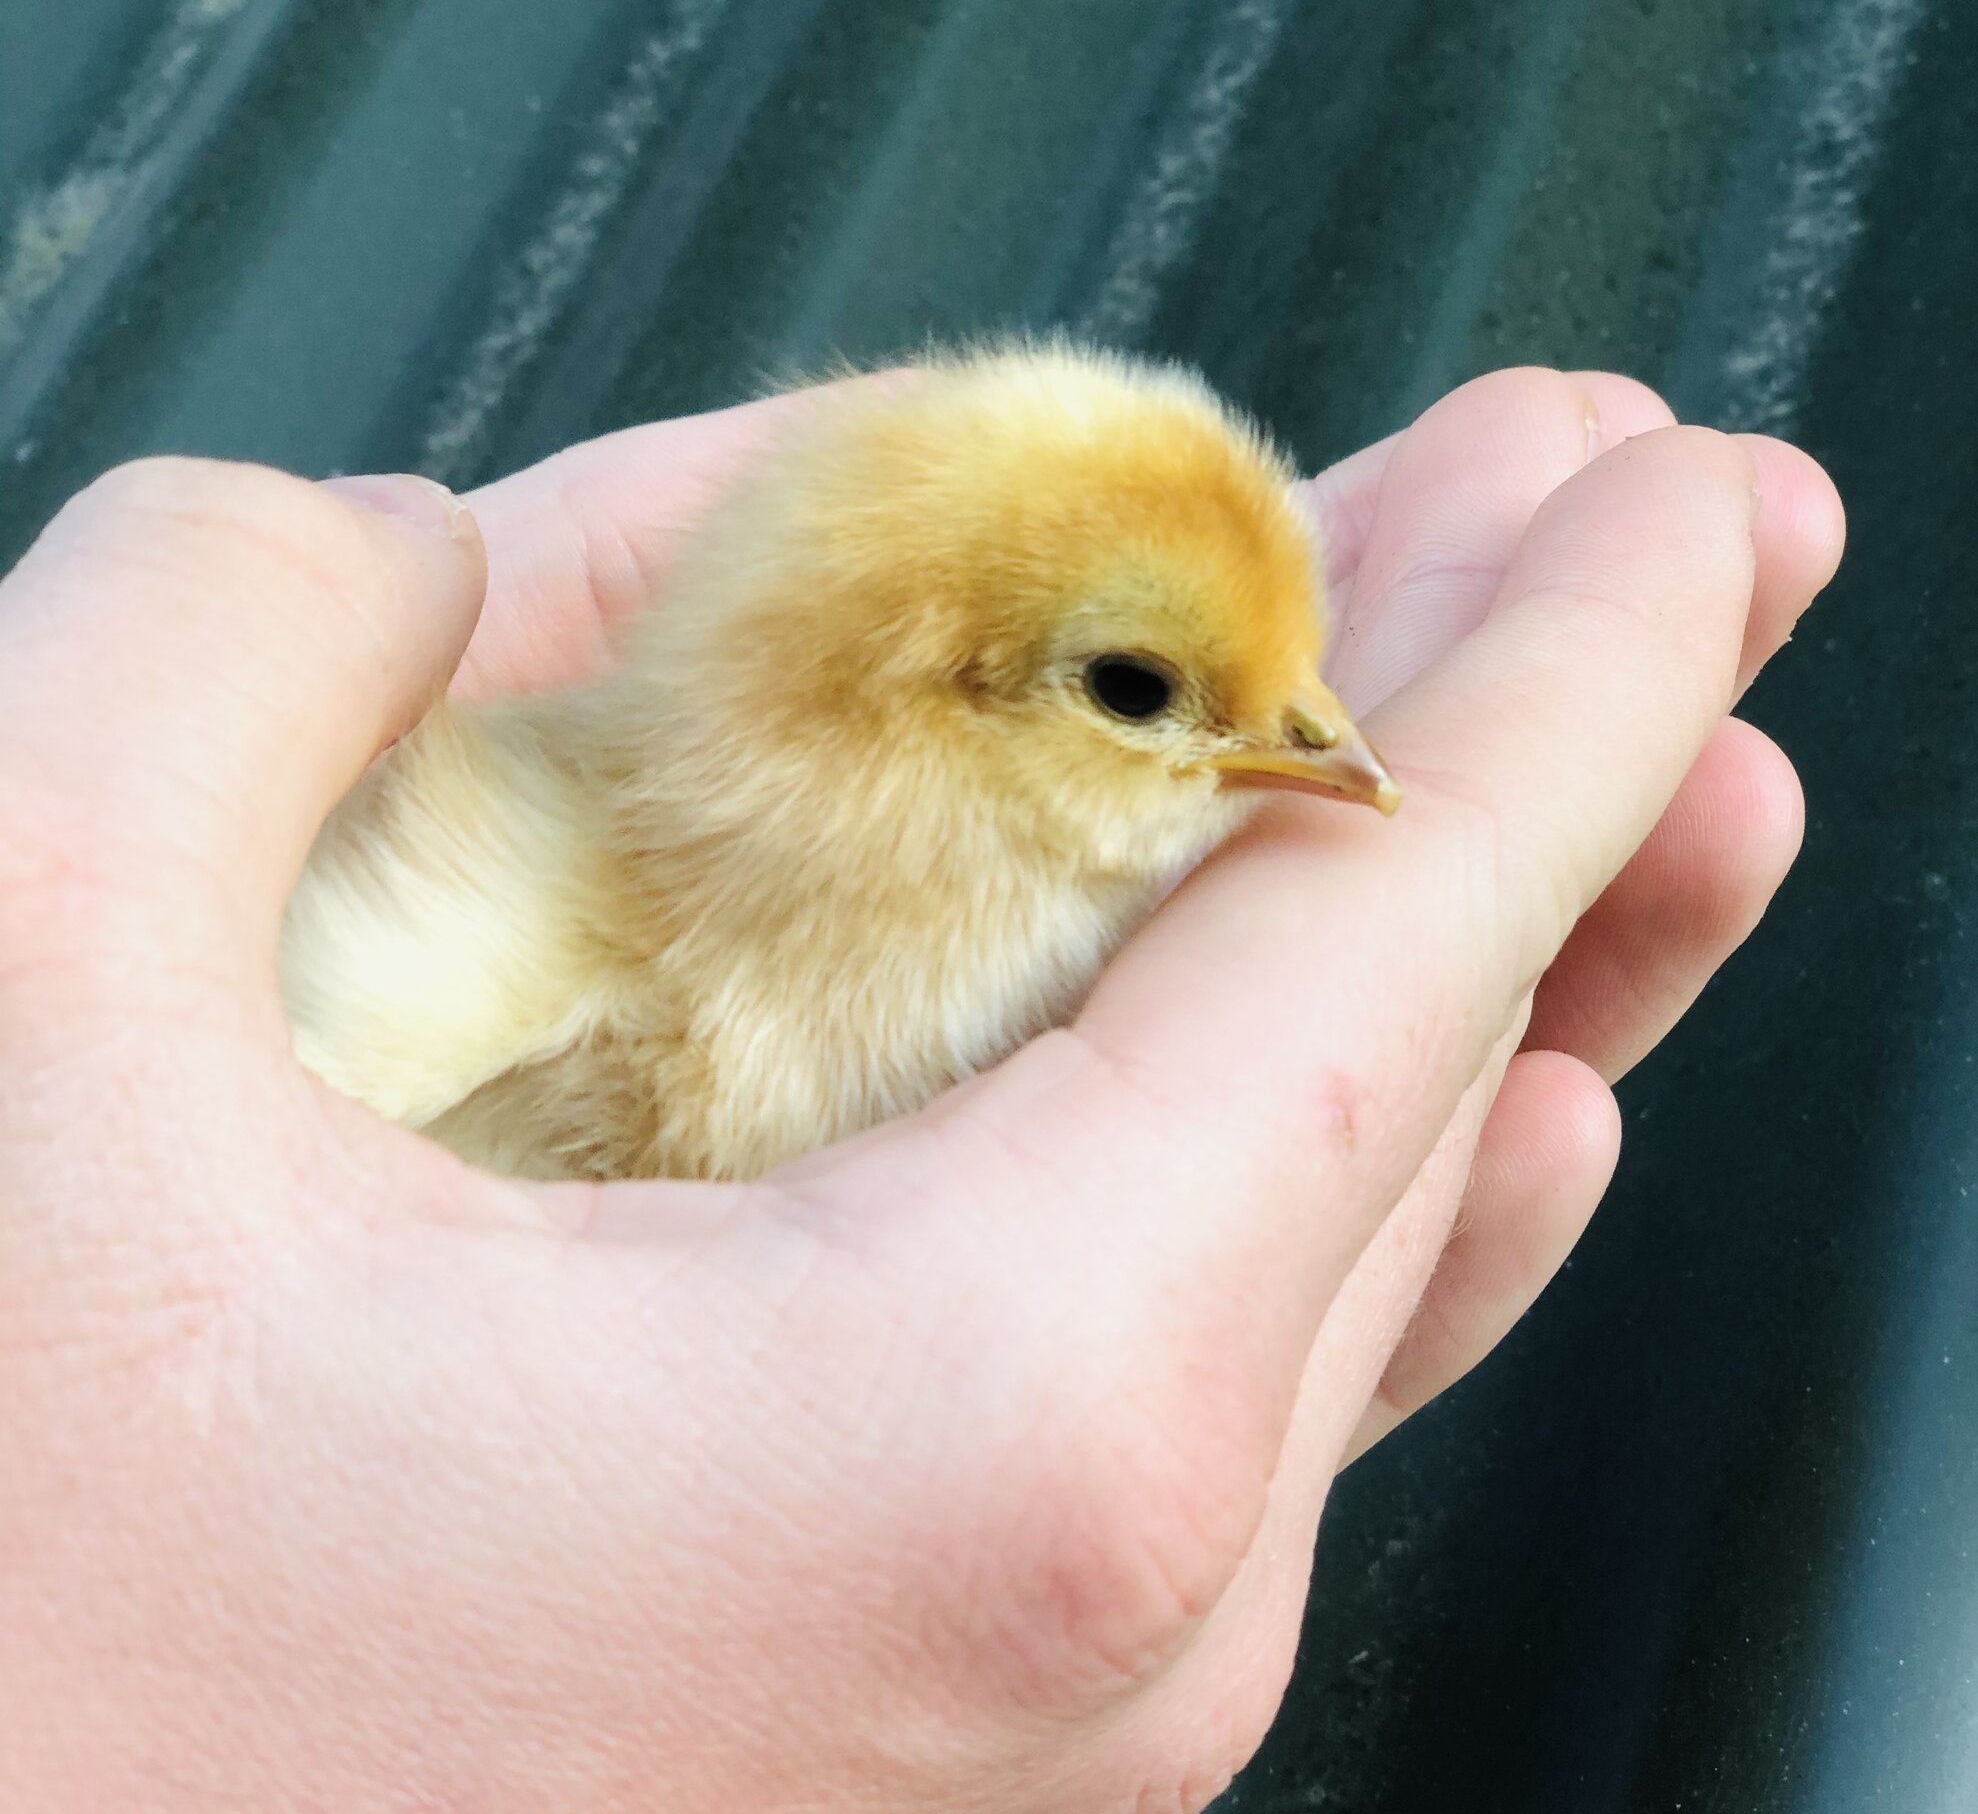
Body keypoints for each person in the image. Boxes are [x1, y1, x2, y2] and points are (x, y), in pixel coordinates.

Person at [0, 367, 1841, 1811]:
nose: (1319, 731)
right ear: (900, 707)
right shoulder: (471, 932)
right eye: (1142, 684)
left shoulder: (1042, 956)